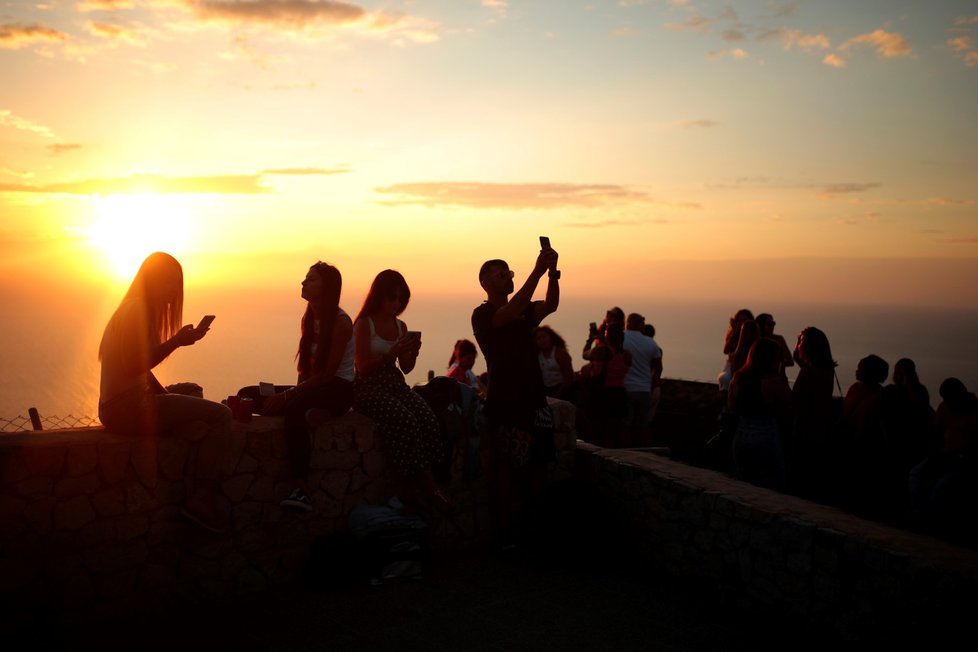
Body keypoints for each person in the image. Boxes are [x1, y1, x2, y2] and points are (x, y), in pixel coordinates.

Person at [98, 252, 231, 532]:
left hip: (127, 403)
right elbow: (133, 363)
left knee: (192, 390)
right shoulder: (136, 309)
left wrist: (163, 395)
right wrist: (176, 342)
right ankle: (203, 498)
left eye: (176, 283)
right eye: (168, 282)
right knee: (222, 416)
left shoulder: (138, 308)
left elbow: (141, 370)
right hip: (126, 409)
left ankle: (180, 430)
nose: (173, 290)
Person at [472, 245, 559, 548]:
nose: (508, 277)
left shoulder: (522, 310)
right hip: (507, 401)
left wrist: (552, 273)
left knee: (539, 465)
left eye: (509, 273)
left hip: (534, 398)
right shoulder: (483, 314)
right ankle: (505, 535)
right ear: (485, 283)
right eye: (501, 274)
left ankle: (533, 531)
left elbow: (550, 304)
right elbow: (506, 315)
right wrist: (536, 271)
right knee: (508, 469)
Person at [260, 262, 355, 513]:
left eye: (311, 279)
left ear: (327, 287)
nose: (303, 283)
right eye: (305, 278)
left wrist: (291, 395)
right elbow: (306, 370)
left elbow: (326, 374)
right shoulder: (310, 317)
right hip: (316, 388)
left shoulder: (341, 323)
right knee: (252, 395)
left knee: (292, 409)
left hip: (338, 389)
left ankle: (301, 488)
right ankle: (317, 414)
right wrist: (291, 393)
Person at [353, 270, 450, 513]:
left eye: (400, 299)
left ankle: (429, 481)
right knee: (406, 421)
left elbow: (406, 368)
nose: (396, 304)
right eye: (392, 298)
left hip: (394, 384)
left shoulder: (400, 325)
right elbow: (361, 367)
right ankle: (428, 488)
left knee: (428, 418)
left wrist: (412, 352)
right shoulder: (364, 324)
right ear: (379, 296)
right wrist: (390, 355)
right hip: (369, 387)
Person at [728, 338, 792, 491]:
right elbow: (791, 406)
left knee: (744, 484)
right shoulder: (772, 382)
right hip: (765, 435)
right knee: (774, 483)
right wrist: (782, 376)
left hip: (741, 434)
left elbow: (731, 407)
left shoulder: (738, 377)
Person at [788, 327, 839, 502]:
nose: (797, 345)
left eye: (800, 341)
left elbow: (794, 403)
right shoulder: (827, 371)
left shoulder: (808, 372)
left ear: (810, 346)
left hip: (805, 431)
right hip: (822, 431)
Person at [622, 313, 663, 446]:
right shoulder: (650, 342)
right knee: (643, 425)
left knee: (626, 425)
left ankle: (625, 452)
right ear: (639, 324)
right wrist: (650, 384)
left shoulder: (621, 338)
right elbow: (658, 368)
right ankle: (644, 451)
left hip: (626, 388)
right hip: (644, 390)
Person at [534, 325, 574, 400]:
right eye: (538, 338)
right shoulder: (537, 356)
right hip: (546, 391)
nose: (542, 340)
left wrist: (557, 396)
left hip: (563, 389)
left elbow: (568, 377)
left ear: (551, 337)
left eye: (544, 337)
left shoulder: (560, 353)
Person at [718, 308, 754, 392]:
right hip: (730, 366)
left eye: (745, 320)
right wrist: (735, 332)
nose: (742, 323)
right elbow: (726, 350)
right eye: (740, 320)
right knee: (725, 379)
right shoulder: (733, 335)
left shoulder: (752, 336)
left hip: (745, 366)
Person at [755, 313, 795, 378]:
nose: (772, 326)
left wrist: (775, 364)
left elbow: (790, 361)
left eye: (773, 323)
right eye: (768, 324)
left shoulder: (779, 339)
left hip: (776, 378)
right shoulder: (756, 341)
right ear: (761, 325)